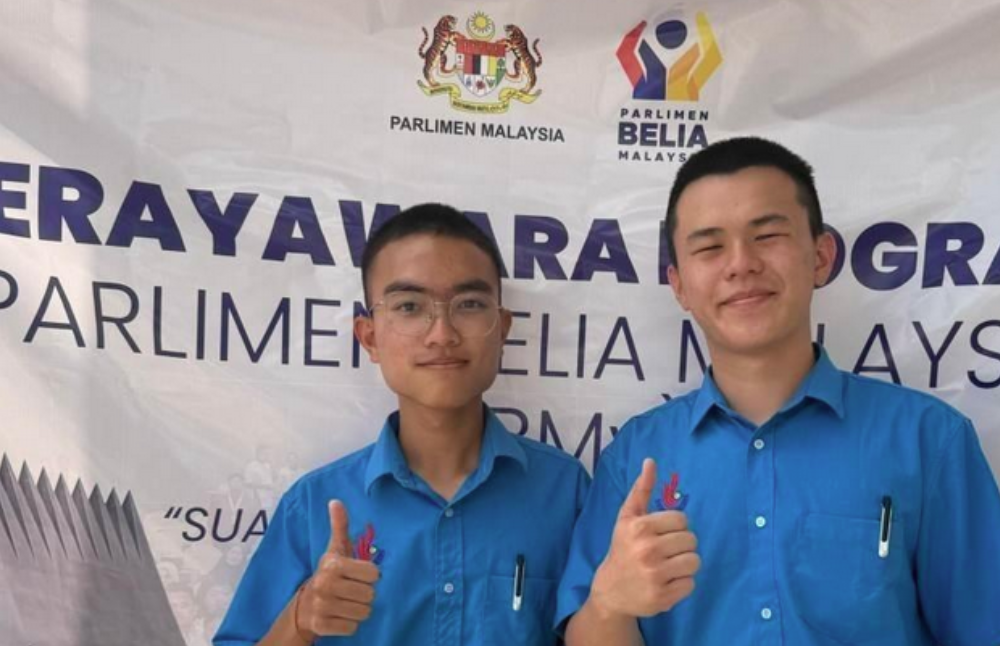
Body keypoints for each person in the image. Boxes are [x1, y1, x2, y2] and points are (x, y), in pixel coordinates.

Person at [556, 137, 1000, 646]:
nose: (741, 264)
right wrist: (610, 605)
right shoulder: (636, 457)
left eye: (767, 235)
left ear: (821, 255)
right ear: (678, 285)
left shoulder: (928, 442)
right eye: (709, 246)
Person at [215, 203, 590, 646]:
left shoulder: (566, 494)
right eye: (409, 306)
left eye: (469, 304)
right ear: (369, 337)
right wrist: (299, 619)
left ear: (502, 328)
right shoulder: (315, 506)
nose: (442, 333)